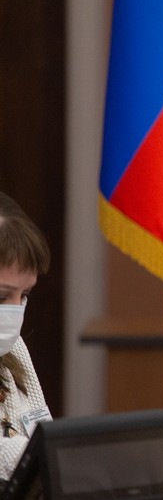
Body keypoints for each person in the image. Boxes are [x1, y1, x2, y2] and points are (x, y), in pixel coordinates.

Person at [0, 192, 52, 480]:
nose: (14, 311)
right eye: (1, 296)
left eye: (24, 295)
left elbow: (41, 430)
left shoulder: (14, 349)